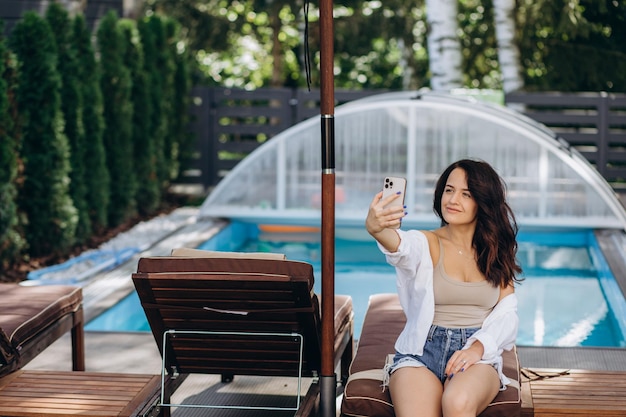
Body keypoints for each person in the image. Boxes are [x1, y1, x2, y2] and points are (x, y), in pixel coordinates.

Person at [365, 159, 523, 417]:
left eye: (466, 194)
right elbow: (400, 246)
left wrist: (477, 348)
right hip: (420, 355)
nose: (453, 199)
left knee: (457, 402)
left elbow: (508, 311)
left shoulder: (495, 250)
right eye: (449, 190)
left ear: (483, 202)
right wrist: (376, 228)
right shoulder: (426, 242)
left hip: (474, 353)